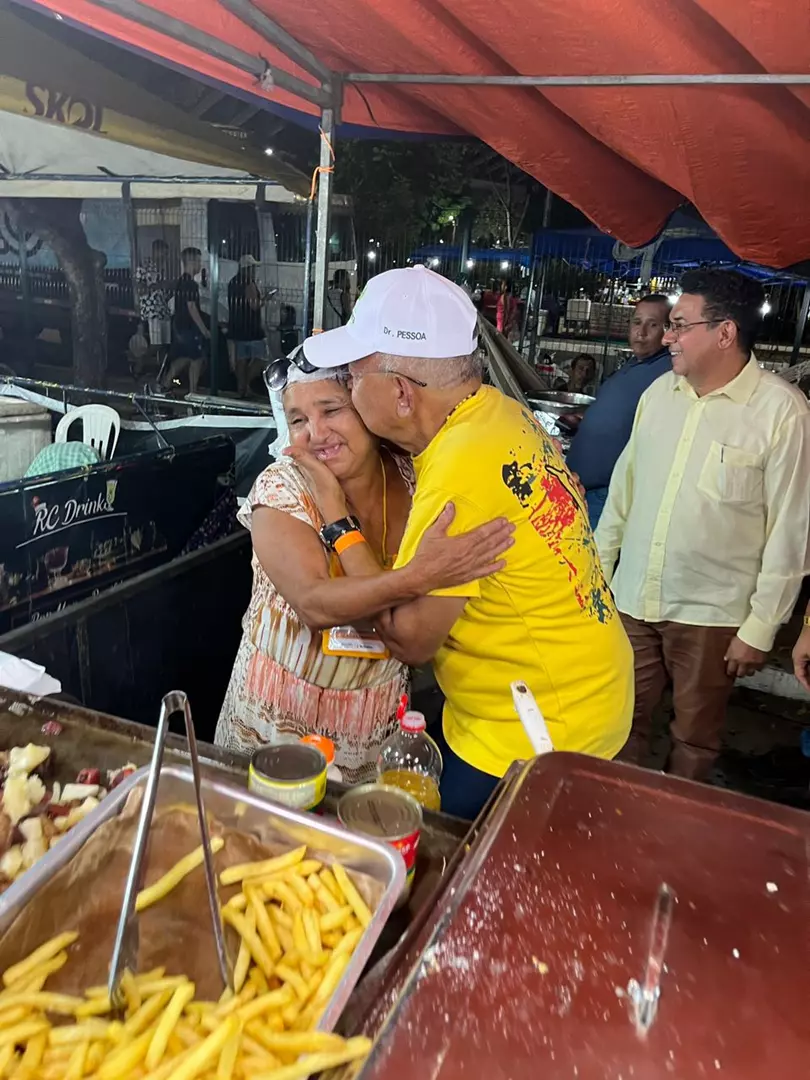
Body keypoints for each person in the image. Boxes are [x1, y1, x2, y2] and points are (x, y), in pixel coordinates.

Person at [301, 266, 634, 819]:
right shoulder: (498, 412)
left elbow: (409, 638)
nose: (348, 391)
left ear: (402, 393)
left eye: (354, 377)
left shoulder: (461, 472)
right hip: (579, 686)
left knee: (462, 866)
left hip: (535, 731)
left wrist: (339, 521)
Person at [214, 355, 513, 784]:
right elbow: (314, 603)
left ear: (366, 410)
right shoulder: (282, 485)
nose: (316, 434)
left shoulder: (417, 476)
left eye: (332, 410)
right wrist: (419, 576)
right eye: (298, 420)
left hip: (372, 724)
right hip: (276, 717)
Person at [596, 269, 810, 780]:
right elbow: (623, 494)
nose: (667, 337)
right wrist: (598, 576)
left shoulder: (781, 413)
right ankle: (610, 820)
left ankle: (676, 833)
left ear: (725, 332)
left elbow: (791, 530)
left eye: (678, 324)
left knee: (694, 737)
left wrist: (760, 628)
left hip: (711, 615)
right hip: (631, 599)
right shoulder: (660, 396)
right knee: (615, 720)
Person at [566, 295, 672, 525]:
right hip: (584, 489)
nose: (641, 332)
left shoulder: (668, 372)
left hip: (607, 497)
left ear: (669, 330)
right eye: (636, 322)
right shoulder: (636, 365)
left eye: (652, 325)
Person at [163, 247, 209, 396]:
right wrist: (204, 330)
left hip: (180, 326)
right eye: (198, 261)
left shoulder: (181, 281)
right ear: (192, 261)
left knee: (184, 357)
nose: (200, 264)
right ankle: (193, 392)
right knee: (197, 359)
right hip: (189, 327)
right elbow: (192, 308)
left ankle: (165, 383)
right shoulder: (191, 284)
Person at [228, 255, 266, 398]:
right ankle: (245, 383)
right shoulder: (248, 283)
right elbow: (254, 305)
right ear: (248, 269)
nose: (255, 270)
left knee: (241, 360)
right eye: (253, 267)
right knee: (261, 358)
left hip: (237, 326)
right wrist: (264, 300)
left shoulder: (232, 282)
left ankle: (241, 389)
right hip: (251, 328)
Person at [134, 239, 173, 376]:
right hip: (152, 311)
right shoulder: (144, 267)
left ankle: (162, 373)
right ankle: (139, 363)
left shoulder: (162, 268)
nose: (165, 257)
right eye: (164, 253)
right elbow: (141, 289)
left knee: (165, 344)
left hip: (163, 309)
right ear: (156, 251)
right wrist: (158, 286)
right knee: (156, 344)